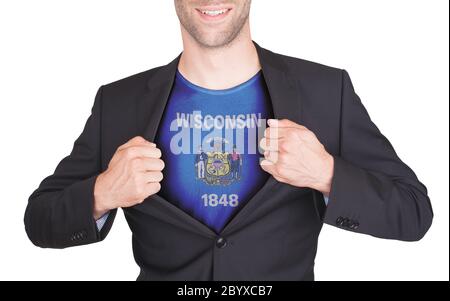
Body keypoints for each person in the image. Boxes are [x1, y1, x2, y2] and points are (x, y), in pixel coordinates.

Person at [25, 0, 433, 281]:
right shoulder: (119, 103)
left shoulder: (326, 92)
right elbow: (40, 220)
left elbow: (413, 212)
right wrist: (102, 193)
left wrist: (327, 174)